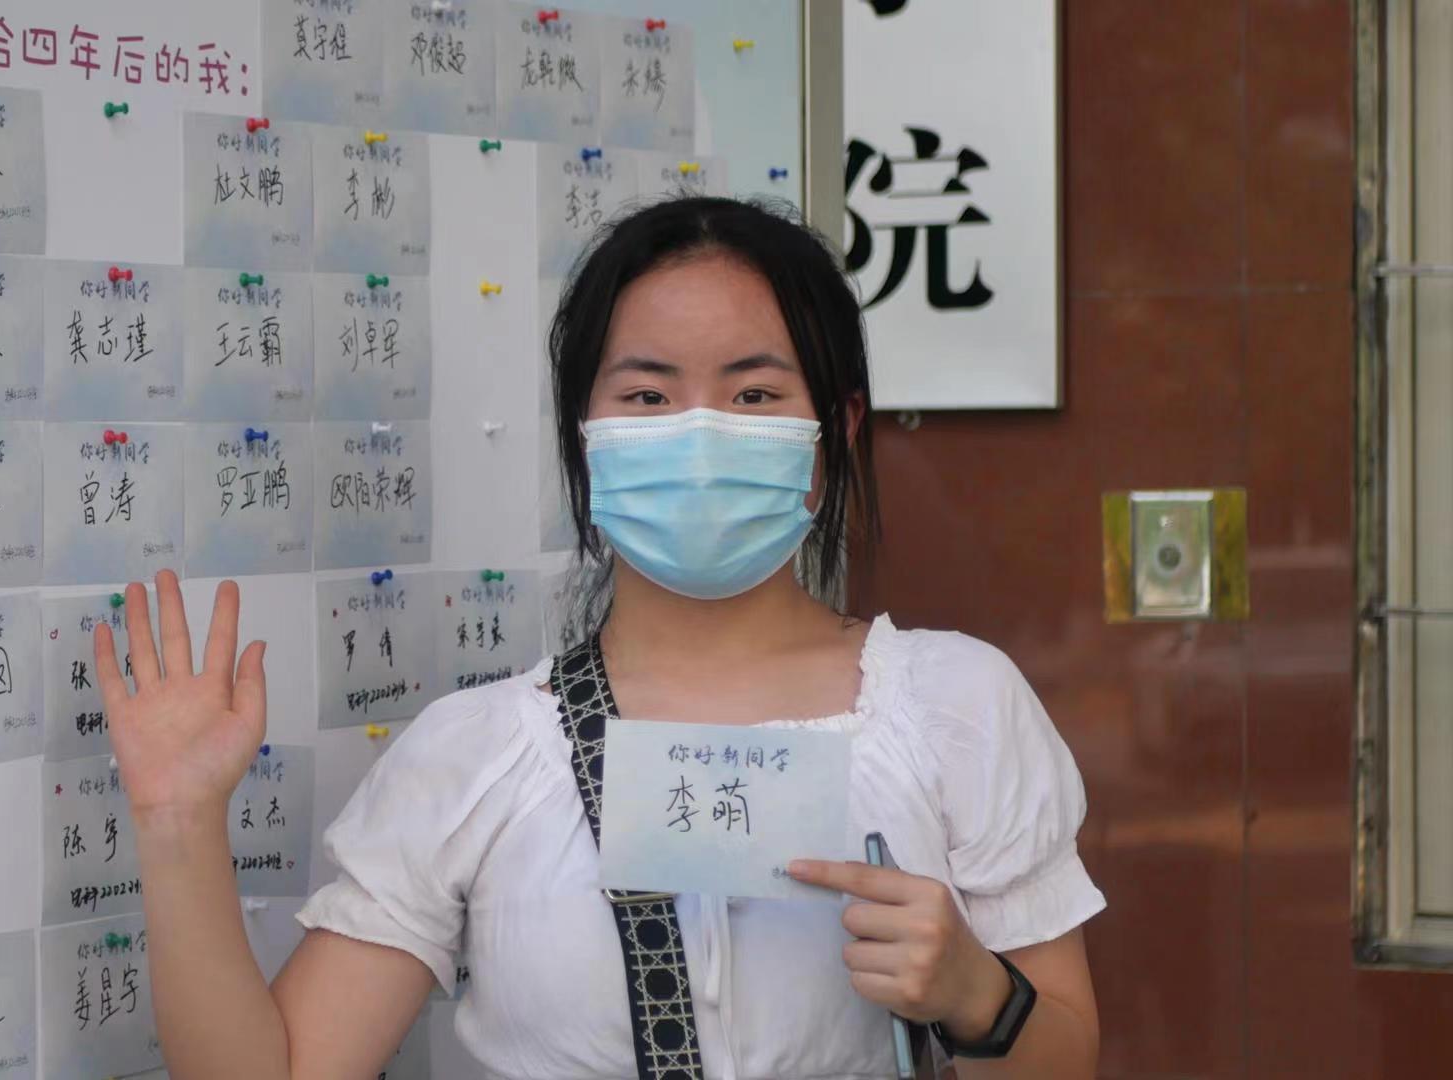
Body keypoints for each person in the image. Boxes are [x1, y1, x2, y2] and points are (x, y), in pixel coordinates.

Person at [94, 197, 1104, 1079]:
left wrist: (978, 995)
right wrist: (177, 820)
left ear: (834, 429)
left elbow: (1067, 1057)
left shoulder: (956, 705)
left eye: (755, 394)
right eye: (648, 396)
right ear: (586, 431)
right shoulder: (478, 753)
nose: (699, 434)